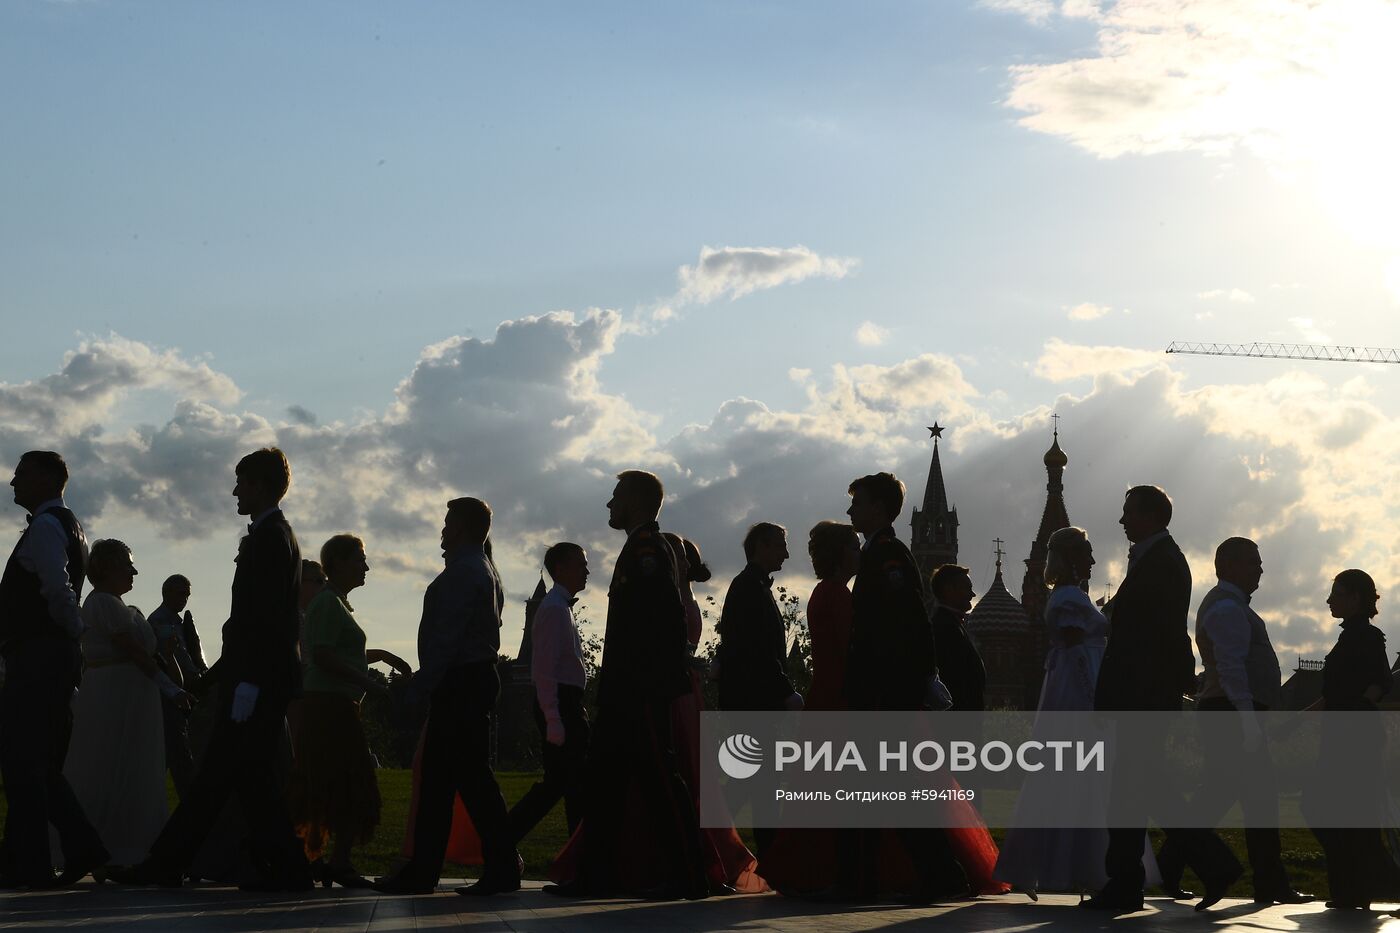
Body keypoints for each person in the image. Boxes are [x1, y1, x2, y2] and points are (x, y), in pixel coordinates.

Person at [118, 447, 310, 891]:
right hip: (259, 676)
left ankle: (170, 863)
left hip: (256, 678)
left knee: (222, 777)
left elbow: (262, 620)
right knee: (242, 778)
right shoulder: (277, 536)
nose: (235, 491)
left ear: (260, 486)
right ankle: (284, 868)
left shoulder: (269, 538)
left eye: (241, 482)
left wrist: (247, 682)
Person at [547, 470, 707, 899]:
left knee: (662, 781)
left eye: (616, 496)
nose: (609, 504)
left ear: (635, 501)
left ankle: (691, 875)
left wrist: (645, 685)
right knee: (606, 786)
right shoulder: (639, 547)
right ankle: (595, 875)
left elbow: (660, 624)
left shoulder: (648, 549)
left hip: (641, 690)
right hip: (624, 691)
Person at [1084, 485, 1239, 913]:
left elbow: (1156, 637)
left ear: (1149, 516)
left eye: (1127, 512)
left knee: (1131, 792)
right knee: (1146, 789)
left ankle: (1129, 882)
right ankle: (1205, 866)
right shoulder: (1160, 559)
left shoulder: (1162, 563)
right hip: (1145, 695)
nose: (1121, 521)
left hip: (1142, 696)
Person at [994, 526, 1156, 897]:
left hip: (1073, 686)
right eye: (1086, 552)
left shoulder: (1070, 595)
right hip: (1078, 692)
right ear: (1070, 558)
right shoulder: (1069, 597)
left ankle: (1075, 866)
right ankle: (1085, 867)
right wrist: (1096, 700)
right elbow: (1076, 652)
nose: (1093, 560)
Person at [373, 498, 518, 897]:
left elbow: (447, 638)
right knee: (465, 780)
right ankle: (477, 867)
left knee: (450, 781)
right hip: (473, 679)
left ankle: (428, 871)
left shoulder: (464, 571)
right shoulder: (483, 569)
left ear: (462, 528)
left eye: (448, 521)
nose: (442, 529)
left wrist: (421, 687)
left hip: (460, 681)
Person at [1158, 538, 1310, 906]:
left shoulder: (1230, 604)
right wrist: (1248, 722)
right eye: (1252, 562)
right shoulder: (1227, 607)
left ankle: (1169, 868)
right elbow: (1230, 668)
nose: (1260, 569)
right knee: (1254, 798)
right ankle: (1268, 883)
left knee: (1227, 795)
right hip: (1232, 712)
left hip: (1229, 711)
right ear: (1226, 565)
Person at [843, 472, 966, 901]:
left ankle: (938, 876)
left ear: (879, 508)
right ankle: (905, 876)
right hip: (884, 688)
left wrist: (921, 676)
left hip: (888, 690)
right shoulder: (878, 551)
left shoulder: (889, 554)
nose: (850, 511)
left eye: (857, 503)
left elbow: (907, 620)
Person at [0, 451, 108, 887]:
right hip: (49, 653)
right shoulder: (69, 526)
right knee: (39, 762)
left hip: (41, 654)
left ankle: (29, 864)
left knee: (23, 759)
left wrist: (72, 632)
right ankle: (80, 849)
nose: (12, 482)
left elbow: (57, 589)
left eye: (22, 474)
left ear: (47, 479)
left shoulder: (45, 527)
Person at [288, 534, 412, 888]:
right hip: (328, 707)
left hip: (333, 704)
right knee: (347, 781)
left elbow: (341, 652)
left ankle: (326, 860)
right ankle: (332, 862)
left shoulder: (334, 604)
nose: (366, 567)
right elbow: (324, 656)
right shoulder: (327, 604)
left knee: (333, 783)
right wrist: (371, 684)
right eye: (359, 559)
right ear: (338, 564)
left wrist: (383, 656)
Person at [65, 540, 186, 870]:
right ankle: (106, 847)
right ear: (106, 569)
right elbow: (133, 651)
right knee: (108, 764)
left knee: (128, 766)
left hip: (130, 695)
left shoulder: (120, 607)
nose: (134, 572)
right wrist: (170, 689)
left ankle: (121, 846)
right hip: (113, 696)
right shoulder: (103, 604)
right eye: (127, 566)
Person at [1303, 569, 1396, 910]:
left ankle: (1362, 885)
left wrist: (1358, 710)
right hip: (1341, 735)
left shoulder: (1367, 638)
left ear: (1355, 598)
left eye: (1337, 594)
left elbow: (1380, 682)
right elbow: (1335, 693)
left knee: (1325, 808)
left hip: (1352, 738)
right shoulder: (1348, 638)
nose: (1329, 600)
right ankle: (1356, 888)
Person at [715, 522, 803, 860]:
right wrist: (786, 691)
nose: (786, 552)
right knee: (757, 783)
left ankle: (758, 854)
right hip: (754, 702)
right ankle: (768, 857)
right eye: (781, 544)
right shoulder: (750, 588)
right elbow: (758, 650)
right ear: (762, 546)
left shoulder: (750, 586)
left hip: (750, 700)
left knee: (753, 782)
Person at [505, 542, 591, 844]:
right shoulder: (554, 610)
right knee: (567, 784)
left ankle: (503, 840)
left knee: (565, 784)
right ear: (561, 569)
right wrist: (553, 716)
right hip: (562, 703)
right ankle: (503, 839)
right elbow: (543, 668)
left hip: (566, 702)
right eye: (580, 564)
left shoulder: (558, 607)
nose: (587, 571)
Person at [147, 574, 204, 800]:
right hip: (170, 693)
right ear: (166, 593)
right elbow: (170, 658)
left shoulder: (177, 622)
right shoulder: (160, 622)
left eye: (187, 595)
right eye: (181, 594)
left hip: (181, 689)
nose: (185, 599)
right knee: (177, 752)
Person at [928, 565, 985, 713]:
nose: (972, 594)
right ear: (948, 590)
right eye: (966, 588)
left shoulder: (952, 625)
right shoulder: (944, 628)